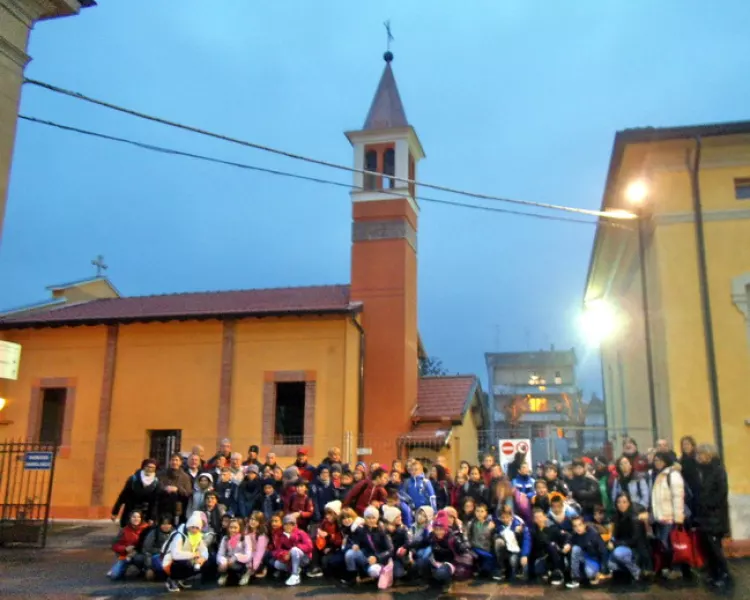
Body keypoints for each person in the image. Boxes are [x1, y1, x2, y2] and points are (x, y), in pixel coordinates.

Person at [694, 443, 730, 588]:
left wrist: (708, 504)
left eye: (700, 454)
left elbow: (721, 493)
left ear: (708, 455)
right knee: (706, 546)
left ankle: (724, 574)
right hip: (704, 516)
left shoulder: (718, 470)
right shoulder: (703, 470)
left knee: (715, 547)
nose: (698, 457)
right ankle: (713, 573)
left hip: (715, 516)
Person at [650, 451, 685, 579]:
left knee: (671, 544)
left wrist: (678, 518)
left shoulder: (672, 475)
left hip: (670, 516)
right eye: (655, 461)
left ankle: (676, 569)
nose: (657, 463)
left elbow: (678, 497)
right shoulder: (657, 475)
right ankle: (668, 567)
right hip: (660, 516)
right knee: (664, 544)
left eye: (660, 460)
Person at [162, 512, 209, 592]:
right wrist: (194, 554)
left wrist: (202, 559)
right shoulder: (179, 536)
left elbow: (205, 551)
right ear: (188, 526)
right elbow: (175, 555)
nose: (194, 530)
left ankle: (180, 579)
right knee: (184, 563)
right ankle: (172, 579)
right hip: (169, 563)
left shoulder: (198, 537)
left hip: (186, 560)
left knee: (206, 563)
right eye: (192, 527)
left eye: (197, 528)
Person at [607, 493, 649, 582]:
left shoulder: (634, 518)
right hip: (622, 545)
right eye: (619, 502)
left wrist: (615, 543)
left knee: (618, 553)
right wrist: (611, 540)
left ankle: (636, 571)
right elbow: (614, 535)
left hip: (634, 548)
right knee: (611, 565)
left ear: (629, 503)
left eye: (624, 502)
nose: (621, 505)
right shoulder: (616, 517)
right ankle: (626, 571)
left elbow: (634, 540)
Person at [111, 459, 160, 527]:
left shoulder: (156, 482)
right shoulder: (133, 479)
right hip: (130, 510)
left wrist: (152, 517)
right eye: (148, 466)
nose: (150, 469)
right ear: (143, 467)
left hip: (145, 512)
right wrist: (115, 512)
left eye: (152, 467)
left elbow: (155, 502)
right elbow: (123, 496)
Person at [270, 514, 314, 586]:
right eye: (286, 524)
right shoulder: (281, 535)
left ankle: (295, 575)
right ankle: (296, 569)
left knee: (294, 550)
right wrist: (284, 554)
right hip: (290, 559)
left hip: (304, 558)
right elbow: (277, 550)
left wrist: (293, 549)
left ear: (295, 525)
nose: (288, 527)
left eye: (291, 524)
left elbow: (309, 546)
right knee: (277, 564)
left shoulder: (301, 533)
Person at [529, 506, 567, 585]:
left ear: (545, 517)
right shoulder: (532, 530)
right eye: (536, 517)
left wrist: (567, 544)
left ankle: (557, 572)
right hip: (538, 556)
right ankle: (545, 571)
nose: (539, 519)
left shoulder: (553, 527)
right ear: (533, 519)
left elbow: (565, 536)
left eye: (540, 517)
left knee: (552, 546)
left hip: (552, 556)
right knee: (535, 571)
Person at [567, 515, 607, 588]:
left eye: (580, 525)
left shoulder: (593, 535)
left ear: (584, 525)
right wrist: (568, 544)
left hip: (594, 558)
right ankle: (575, 579)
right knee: (575, 548)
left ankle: (588, 573)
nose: (578, 528)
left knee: (590, 573)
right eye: (575, 526)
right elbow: (570, 539)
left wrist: (602, 570)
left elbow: (603, 551)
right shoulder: (575, 534)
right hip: (583, 556)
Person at [494, 506, 531, 581]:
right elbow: (494, 518)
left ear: (511, 516)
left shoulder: (519, 525)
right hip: (507, 550)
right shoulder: (500, 525)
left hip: (518, 552)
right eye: (503, 517)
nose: (505, 520)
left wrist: (524, 555)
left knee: (513, 561)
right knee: (498, 542)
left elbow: (527, 540)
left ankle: (518, 571)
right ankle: (503, 569)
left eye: (507, 517)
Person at [109, 510, 148, 580]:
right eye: (134, 517)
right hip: (125, 556)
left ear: (141, 518)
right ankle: (118, 568)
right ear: (130, 518)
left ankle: (142, 569)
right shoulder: (124, 530)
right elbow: (114, 545)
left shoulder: (147, 528)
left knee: (139, 559)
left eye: (138, 517)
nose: (136, 519)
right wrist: (125, 548)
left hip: (140, 555)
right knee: (114, 575)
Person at [216, 518, 253, 586]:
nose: (233, 530)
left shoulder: (245, 538)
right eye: (231, 527)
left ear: (240, 528)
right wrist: (223, 562)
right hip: (228, 561)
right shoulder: (225, 538)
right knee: (220, 563)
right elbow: (220, 553)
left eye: (235, 528)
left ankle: (245, 574)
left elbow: (248, 556)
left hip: (241, 562)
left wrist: (235, 557)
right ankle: (224, 574)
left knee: (234, 565)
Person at [158, 453, 193, 525]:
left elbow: (188, 493)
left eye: (176, 460)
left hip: (178, 508)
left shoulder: (185, 476)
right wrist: (165, 488)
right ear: (169, 462)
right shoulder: (161, 474)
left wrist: (178, 489)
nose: (174, 462)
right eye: (172, 460)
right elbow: (157, 487)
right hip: (162, 506)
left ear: (180, 462)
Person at [466, 502, 496, 577]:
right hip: (475, 547)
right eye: (477, 511)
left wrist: (491, 528)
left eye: (482, 511)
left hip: (486, 549)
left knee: (488, 565)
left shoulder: (490, 524)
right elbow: (468, 536)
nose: (479, 513)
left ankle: (484, 570)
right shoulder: (471, 523)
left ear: (486, 513)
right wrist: (469, 545)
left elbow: (491, 537)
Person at [141, 514, 174, 581]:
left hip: (172, 556)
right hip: (157, 556)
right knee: (161, 567)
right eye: (163, 524)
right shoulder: (154, 533)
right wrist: (149, 567)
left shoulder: (175, 533)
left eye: (168, 524)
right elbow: (147, 550)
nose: (166, 526)